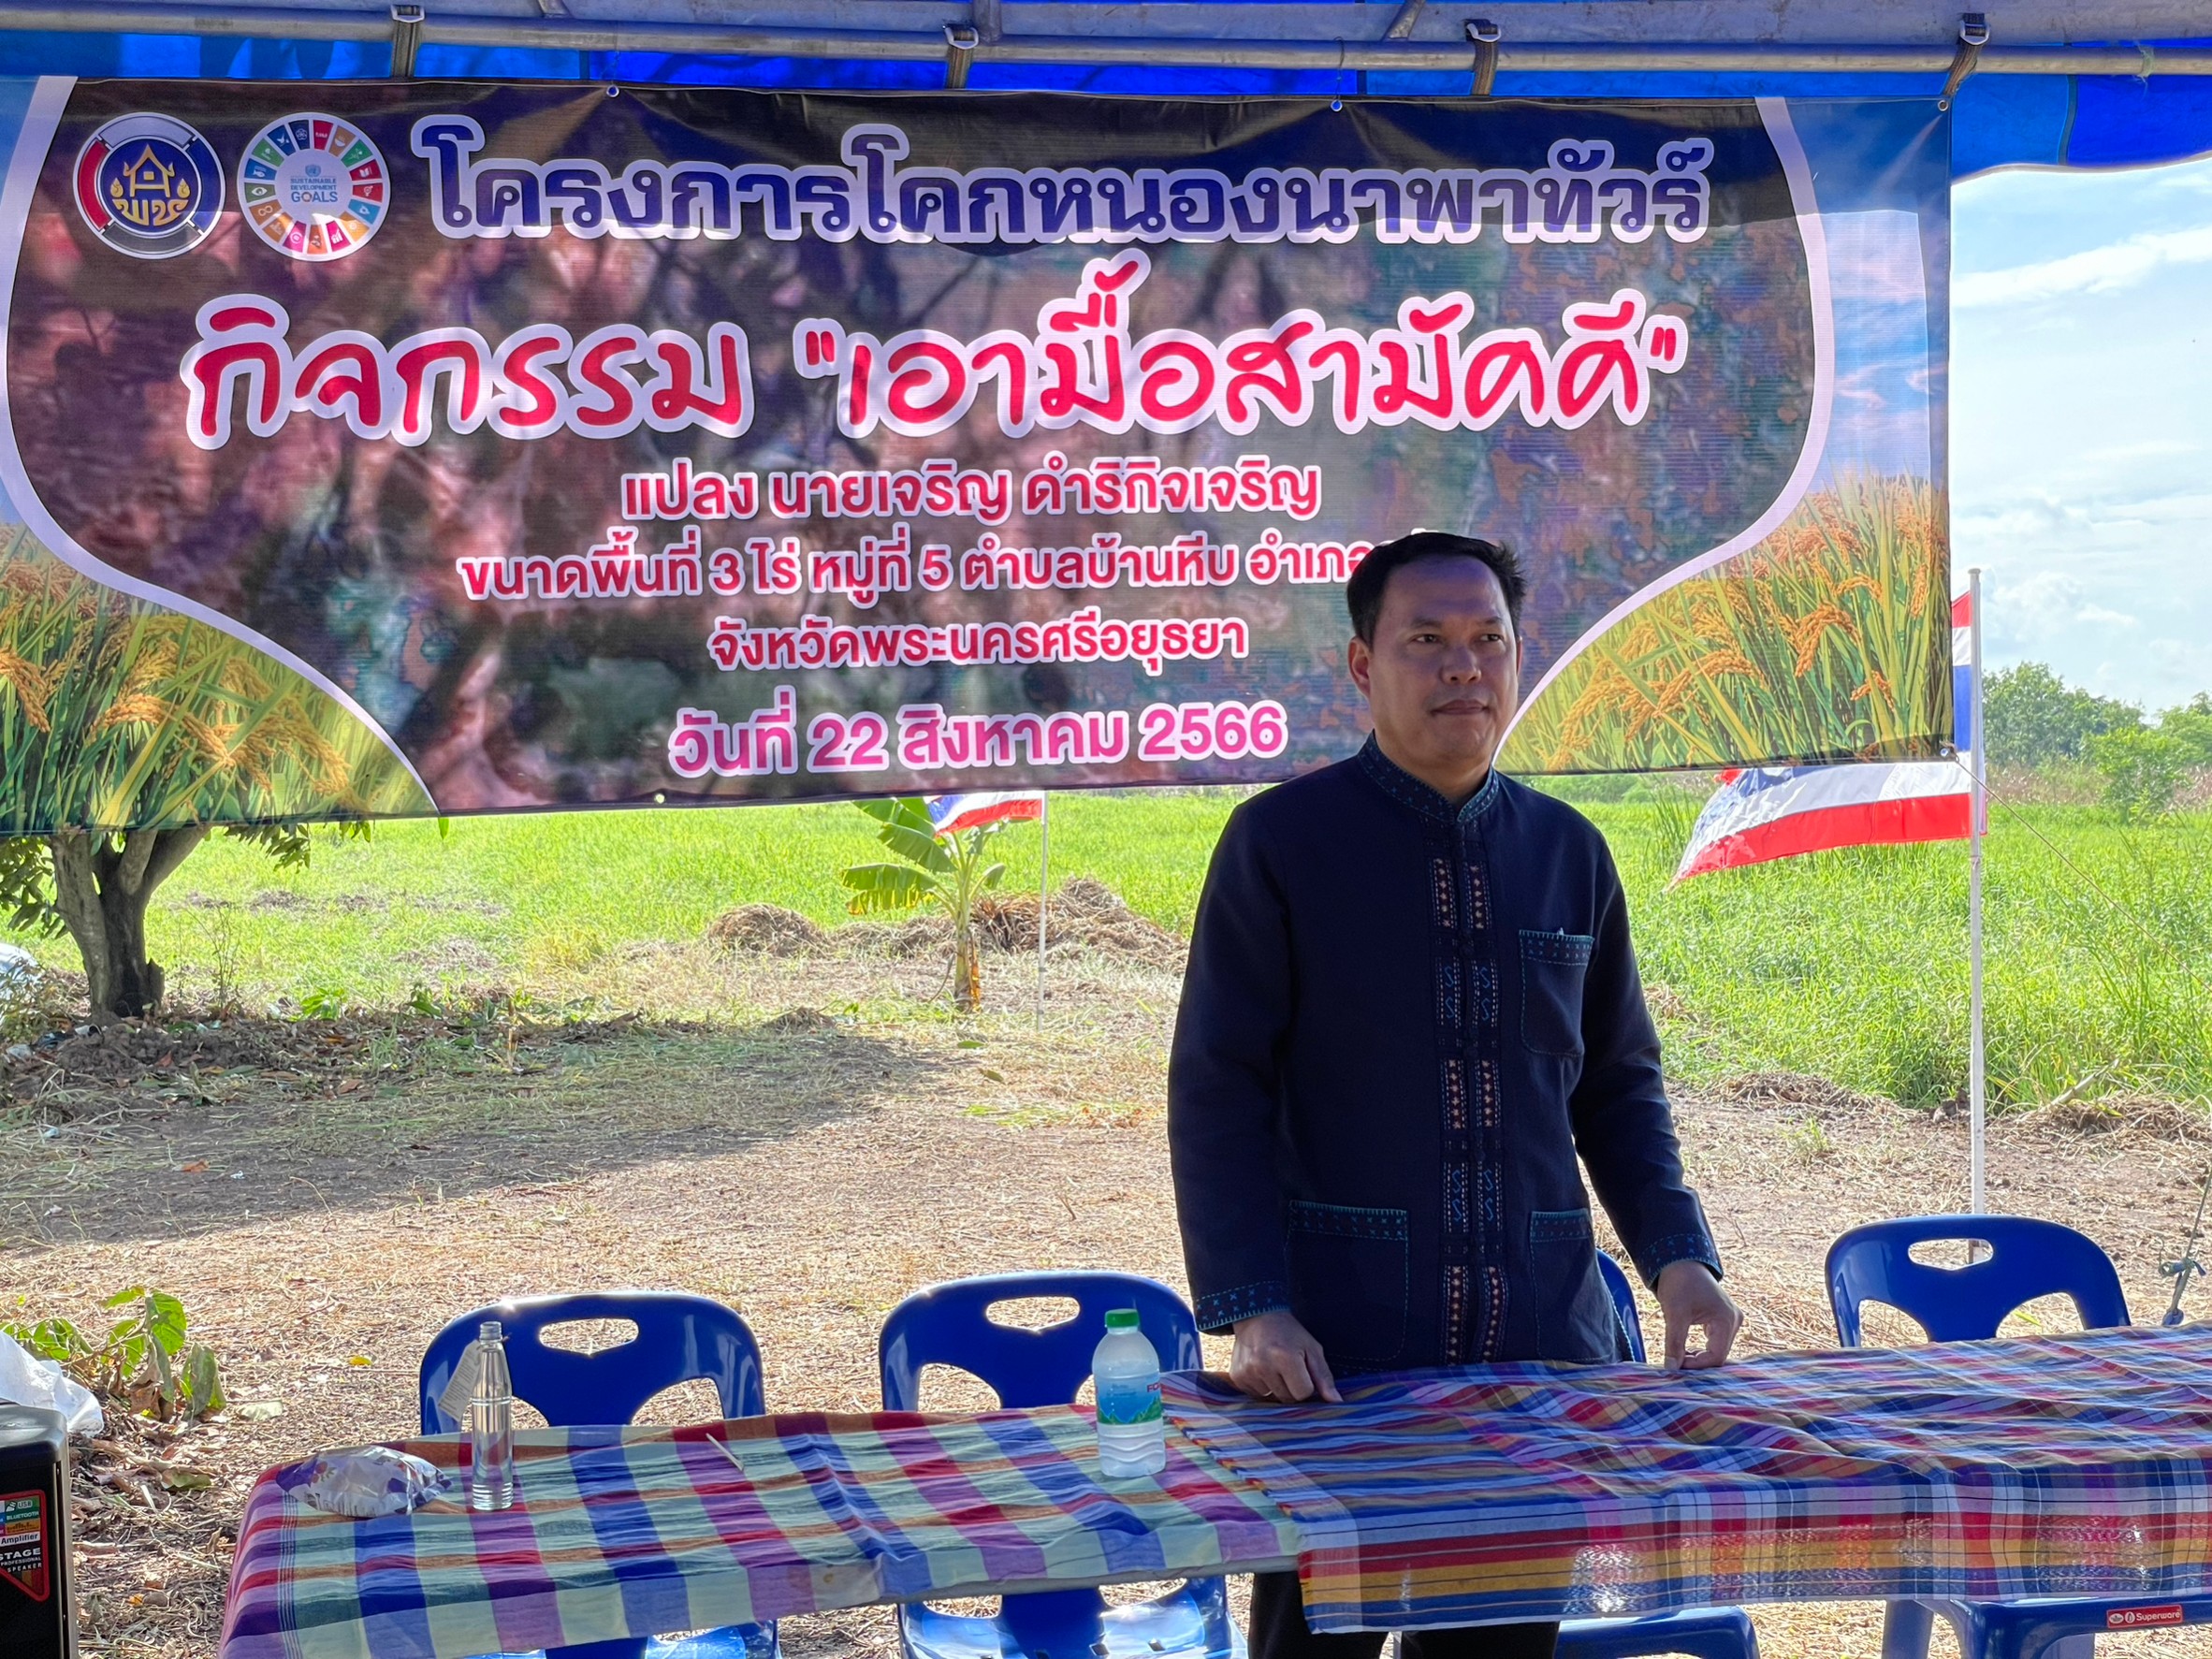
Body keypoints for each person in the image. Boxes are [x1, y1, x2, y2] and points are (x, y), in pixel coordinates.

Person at [1168, 531, 1741, 1659]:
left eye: (1489, 640)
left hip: (1536, 1341)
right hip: (1341, 1353)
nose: (1462, 668)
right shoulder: (1281, 845)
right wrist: (1252, 1304)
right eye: (1425, 640)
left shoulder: (1568, 852)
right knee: (1316, 1640)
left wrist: (1680, 1257)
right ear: (1360, 665)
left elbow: (1618, 1085)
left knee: (1495, 1645)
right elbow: (1217, 1087)